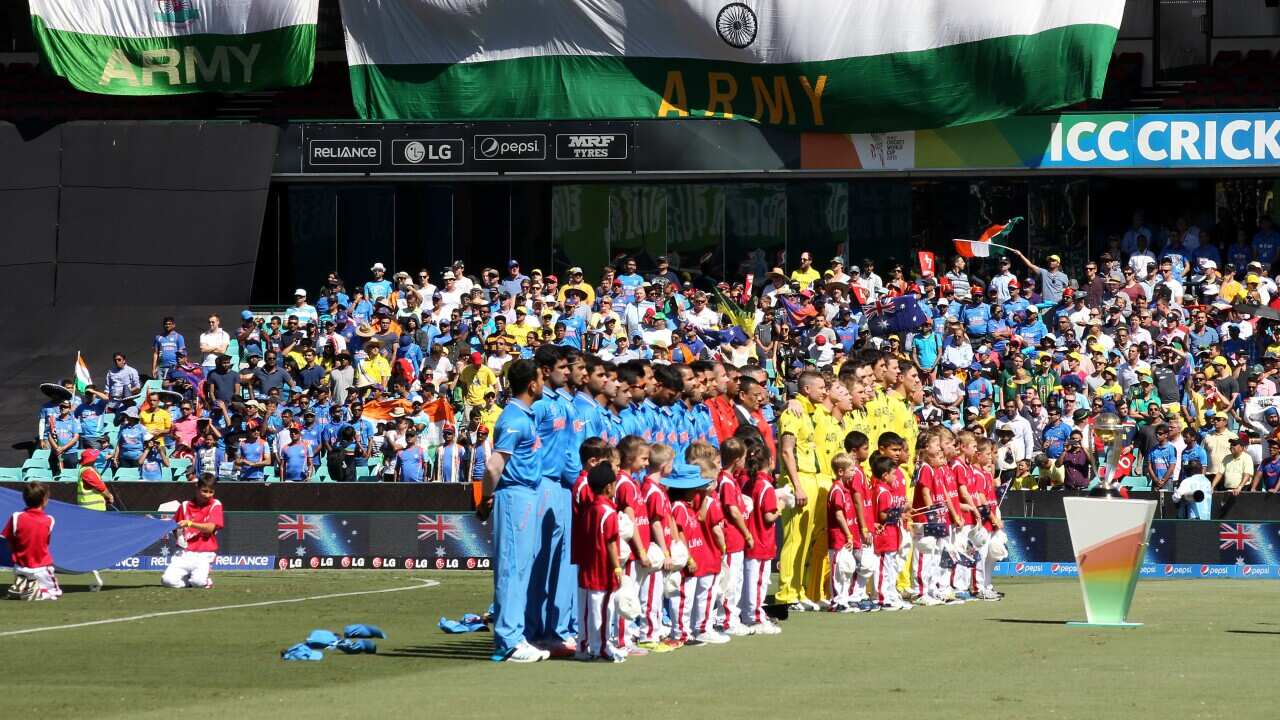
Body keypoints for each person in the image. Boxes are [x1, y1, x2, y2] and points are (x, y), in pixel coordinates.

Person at [476, 359, 552, 663]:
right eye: (540, 379)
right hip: (515, 496)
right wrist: (486, 498)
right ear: (532, 385)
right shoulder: (513, 419)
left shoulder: (524, 416)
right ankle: (508, 641)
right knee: (512, 568)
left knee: (521, 568)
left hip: (527, 494)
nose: (544, 384)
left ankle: (515, 635)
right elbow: (494, 465)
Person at [573, 462, 625, 663]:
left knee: (587, 610)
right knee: (602, 610)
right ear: (609, 487)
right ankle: (601, 648)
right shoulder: (608, 512)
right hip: (602, 571)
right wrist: (617, 568)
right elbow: (611, 543)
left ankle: (584, 646)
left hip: (587, 568)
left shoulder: (590, 509)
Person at [162, 474, 224, 589]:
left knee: (199, 583)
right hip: (185, 553)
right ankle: (188, 581)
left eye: (211, 492)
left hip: (204, 553)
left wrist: (190, 523)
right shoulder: (185, 505)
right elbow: (175, 526)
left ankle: (203, 580)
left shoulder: (216, 504)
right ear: (197, 487)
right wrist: (179, 538)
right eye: (204, 491)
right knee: (167, 581)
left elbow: (211, 528)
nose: (207, 495)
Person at [2, 482, 61, 601]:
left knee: (28, 577)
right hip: (42, 567)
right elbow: (45, 543)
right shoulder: (49, 520)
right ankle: (36, 591)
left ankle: (23, 585)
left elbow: (7, 538)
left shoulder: (16, 517)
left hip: (20, 566)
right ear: (44, 500)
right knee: (56, 592)